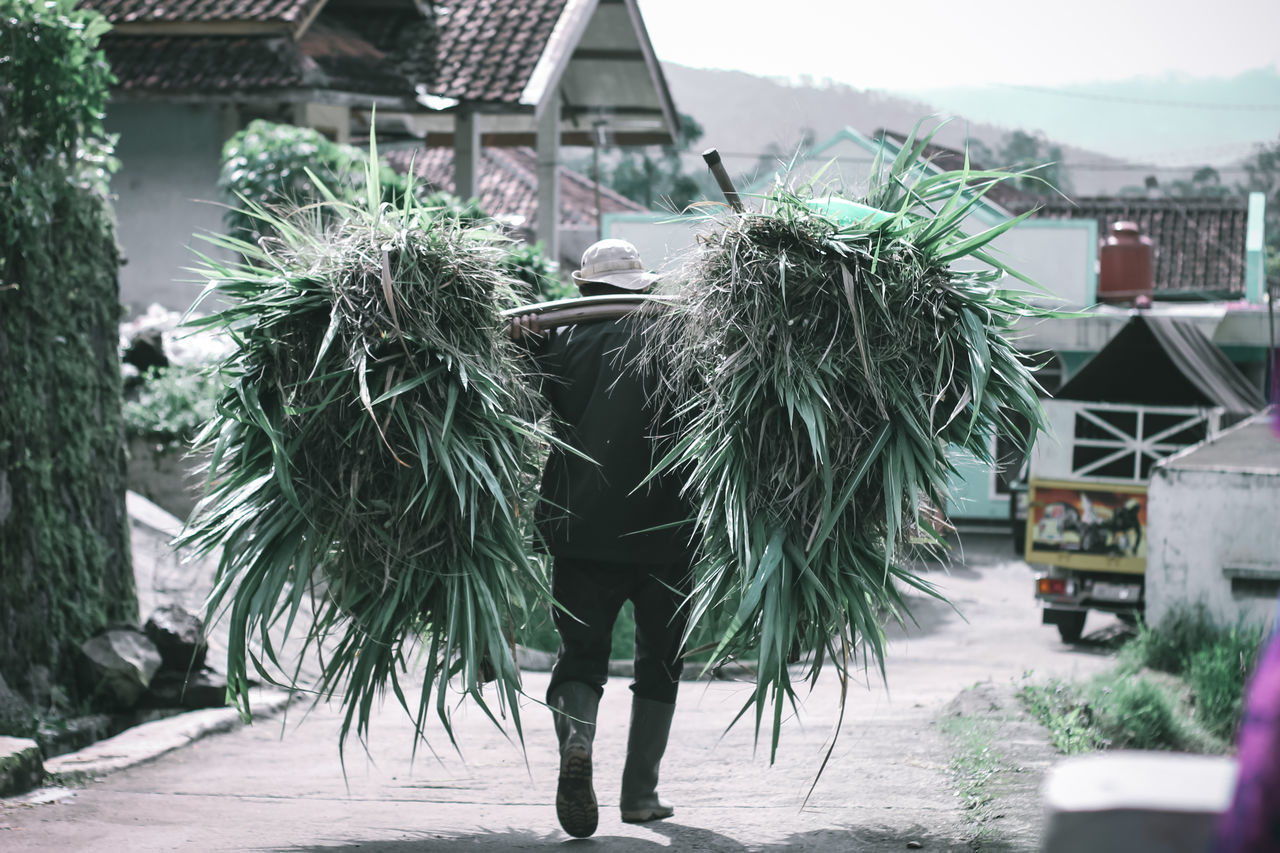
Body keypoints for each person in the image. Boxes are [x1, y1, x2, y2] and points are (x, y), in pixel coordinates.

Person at [509, 238, 696, 839]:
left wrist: (524, 347)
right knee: (661, 662)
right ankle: (641, 796)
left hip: (580, 529)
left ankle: (577, 744)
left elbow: (514, 408)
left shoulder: (558, 342)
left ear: (584, 290)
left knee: (581, 659)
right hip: (668, 530)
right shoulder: (682, 341)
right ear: (640, 288)